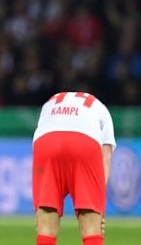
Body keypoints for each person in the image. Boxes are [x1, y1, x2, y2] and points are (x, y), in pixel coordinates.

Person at [32, 91, 116, 245]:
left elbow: (42, 131)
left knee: (46, 225)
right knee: (91, 226)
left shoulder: (50, 102)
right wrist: (97, 207)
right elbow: (105, 158)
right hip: (85, 140)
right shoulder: (101, 109)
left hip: (46, 141)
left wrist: (40, 211)